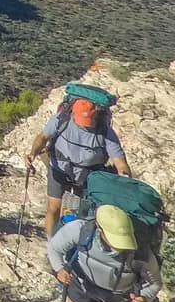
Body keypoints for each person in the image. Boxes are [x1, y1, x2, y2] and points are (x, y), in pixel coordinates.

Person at [24, 98, 132, 237]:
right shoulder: (61, 119)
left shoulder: (104, 131)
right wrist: (32, 153)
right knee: (54, 207)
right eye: (81, 122)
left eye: (88, 122)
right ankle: (52, 243)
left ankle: (73, 241)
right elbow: (42, 137)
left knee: (81, 211)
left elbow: (120, 162)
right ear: (73, 114)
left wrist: (124, 176)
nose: (84, 126)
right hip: (60, 168)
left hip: (88, 174)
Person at [47, 205, 162, 302]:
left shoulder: (140, 251)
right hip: (82, 285)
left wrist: (144, 298)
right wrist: (59, 269)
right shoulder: (80, 229)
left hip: (121, 298)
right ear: (99, 229)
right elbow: (55, 248)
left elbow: (154, 283)